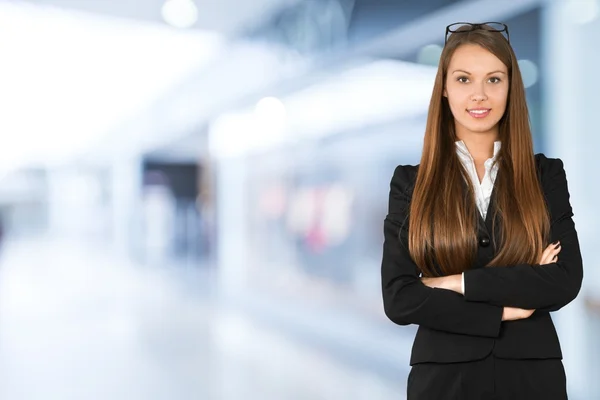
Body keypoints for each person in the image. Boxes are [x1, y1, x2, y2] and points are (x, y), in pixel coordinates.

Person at [380, 22, 583, 399]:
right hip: (442, 381)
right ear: (443, 88)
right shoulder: (411, 183)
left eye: (493, 79)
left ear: (510, 87)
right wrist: (507, 308)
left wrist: (452, 282)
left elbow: (564, 279)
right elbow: (400, 298)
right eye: (463, 79)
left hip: (532, 379)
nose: (479, 95)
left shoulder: (545, 175)